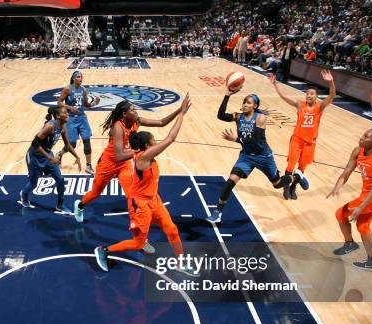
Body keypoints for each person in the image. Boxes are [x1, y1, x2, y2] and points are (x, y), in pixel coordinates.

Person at [95, 95, 190, 272]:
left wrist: (179, 110)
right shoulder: (143, 157)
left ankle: (181, 262)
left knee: (172, 229)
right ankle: (104, 250)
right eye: (154, 141)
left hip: (154, 199)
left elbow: (162, 123)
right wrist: (182, 114)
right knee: (138, 243)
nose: (156, 142)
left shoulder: (145, 151)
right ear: (148, 145)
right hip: (140, 204)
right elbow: (170, 138)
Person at [73, 98, 188, 224]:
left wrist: (180, 111)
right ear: (124, 114)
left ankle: (138, 227)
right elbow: (119, 156)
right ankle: (80, 206)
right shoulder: (117, 127)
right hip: (109, 162)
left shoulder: (136, 121)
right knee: (95, 193)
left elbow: (161, 122)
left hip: (124, 164)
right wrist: (140, 151)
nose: (136, 111)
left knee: (132, 194)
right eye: (133, 110)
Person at [206, 89, 291, 223]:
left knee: (277, 183)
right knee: (230, 182)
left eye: (249, 103)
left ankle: (296, 176)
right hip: (246, 156)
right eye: (244, 102)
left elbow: (255, 140)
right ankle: (218, 212)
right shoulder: (239, 117)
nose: (245, 104)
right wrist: (227, 95)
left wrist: (235, 139)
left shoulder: (261, 118)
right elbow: (220, 115)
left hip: (264, 156)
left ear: (255, 106)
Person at [327, 123, 372, 272]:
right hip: (368, 192)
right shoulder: (358, 151)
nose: (361, 138)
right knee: (363, 226)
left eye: (366, 137)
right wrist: (337, 186)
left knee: (341, 213)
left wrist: (361, 207)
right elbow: (346, 172)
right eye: (363, 135)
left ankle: (350, 244)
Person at [269, 70, 336, 200]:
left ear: (316, 97)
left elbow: (332, 95)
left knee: (302, 167)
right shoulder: (300, 104)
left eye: (311, 94)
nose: (308, 95)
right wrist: (275, 84)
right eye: (307, 93)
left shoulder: (320, 106)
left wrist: (331, 82)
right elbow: (284, 98)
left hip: (310, 142)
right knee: (291, 165)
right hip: (297, 140)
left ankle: (294, 186)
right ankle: (286, 187)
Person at [20, 106, 82, 212]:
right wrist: (50, 157)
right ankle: (24, 194)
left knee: (60, 180)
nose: (67, 114)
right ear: (58, 116)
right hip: (35, 156)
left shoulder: (63, 127)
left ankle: (60, 205)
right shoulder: (50, 126)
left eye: (67, 113)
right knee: (33, 183)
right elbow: (35, 143)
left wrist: (77, 157)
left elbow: (67, 144)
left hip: (48, 155)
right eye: (65, 113)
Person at [56, 71, 100, 174]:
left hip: (82, 118)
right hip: (71, 119)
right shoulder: (67, 89)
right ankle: (59, 154)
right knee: (72, 144)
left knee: (86, 140)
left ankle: (88, 166)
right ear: (74, 78)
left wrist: (94, 103)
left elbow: (86, 105)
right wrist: (70, 107)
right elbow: (59, 102)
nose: (80, 78)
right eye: (78, 77)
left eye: (81, 77)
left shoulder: (83, 89)